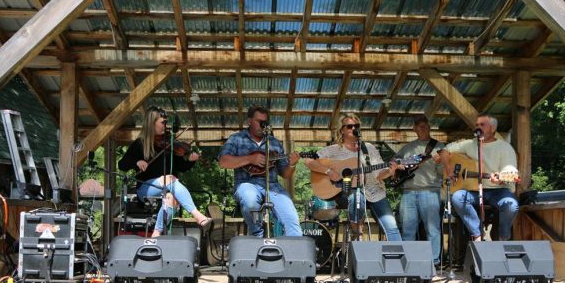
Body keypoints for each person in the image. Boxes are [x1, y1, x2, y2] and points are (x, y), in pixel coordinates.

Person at [304, 113, 402, 241]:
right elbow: (308, 161)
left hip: (375, 191)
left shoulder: (369, 148)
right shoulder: (333, 150)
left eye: (357, 126)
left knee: (392, 227)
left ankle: (399, 257)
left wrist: (390, 171)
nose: (354, 128)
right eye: (350, 126)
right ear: (342, 130)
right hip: (346, 192)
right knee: (357, 196)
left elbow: (379, 174)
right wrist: (328, 171)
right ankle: (357, 234)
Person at [118, 106, 210, 238]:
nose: (165, 126)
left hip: (167, 187)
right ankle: (198, 215)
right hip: (145, 189)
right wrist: (136, 162)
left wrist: (191, 160)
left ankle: (156, 234)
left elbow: (181, 167)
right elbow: (122, 164)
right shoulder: (140, 144)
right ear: (151, 123)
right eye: (162, 122)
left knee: (171, 197)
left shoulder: (169, 144)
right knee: (169, 178)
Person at [217, 105, 302, 237]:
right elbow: (223, 162)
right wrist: (250, 159)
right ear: (249, 121)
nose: (262, 125)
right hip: (246, 183)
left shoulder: (274, 143)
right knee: (249, 200)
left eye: (265, 122)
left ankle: (294, 254)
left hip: (273, 186)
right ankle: (257, 236)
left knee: (292, 219)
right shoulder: (237, 138)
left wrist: (292, 165)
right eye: (259, 122)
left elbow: (285, 174)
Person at [439, 114, 519, 241]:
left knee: (511, 205)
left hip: (498, 190)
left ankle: (503, 236)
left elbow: (510, 170)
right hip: (475, 190)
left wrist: (501, 178)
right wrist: (448, 169)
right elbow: (444, 150)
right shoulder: (470, 144)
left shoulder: (504, 147)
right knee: (457, 197)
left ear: (492, 129)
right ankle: (477, 233)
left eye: (482, 125)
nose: (478, 127)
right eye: (477, 124)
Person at [395, 114, 446, 264]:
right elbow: (394, 164)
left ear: (429, 127)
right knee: (407, 229)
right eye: (419, 126)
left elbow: (445, 171)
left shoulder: (439, 147)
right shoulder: (407, 147)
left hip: (430, 191)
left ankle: (434, 262)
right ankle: (408, 262)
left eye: (425, 125)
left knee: (433, 229)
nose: (422, 128)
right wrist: (399, 166)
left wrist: (440, 163)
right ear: (414, 129)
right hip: (408, 192)